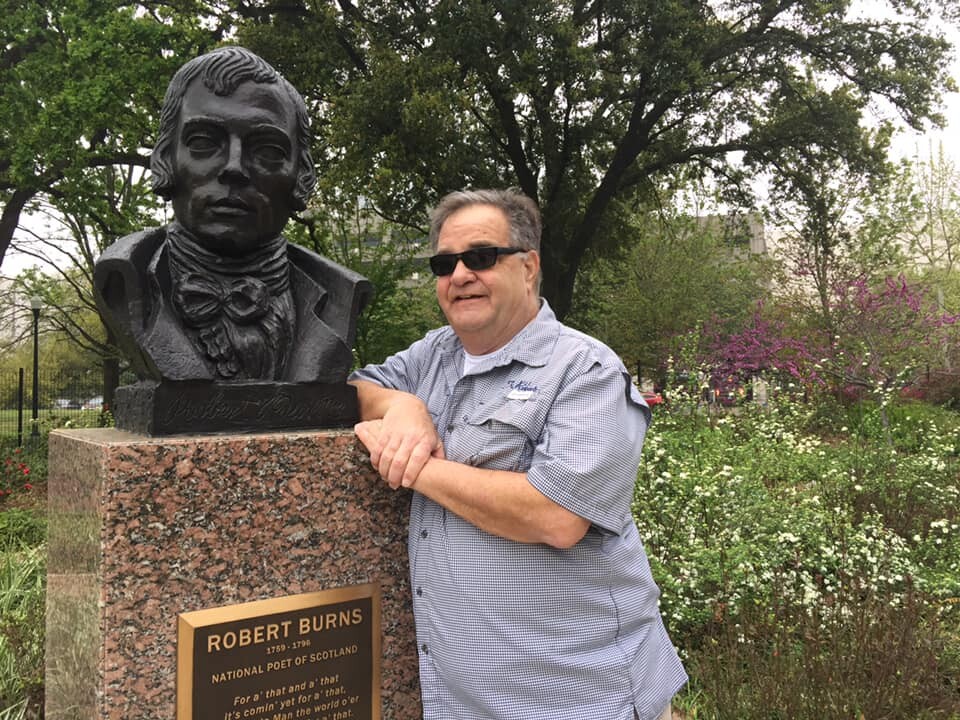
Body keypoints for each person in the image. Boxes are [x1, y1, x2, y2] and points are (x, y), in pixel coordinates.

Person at [349, 188, 687, 720]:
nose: (460, 275)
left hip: (582, 697)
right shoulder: (432, 355)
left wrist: (418, 468)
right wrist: (403, 406)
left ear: (528, 267)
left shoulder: (585, 369)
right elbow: (346, 389)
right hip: (461, 701)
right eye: (444, 264)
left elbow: (557, 515)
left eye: (481, 257)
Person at [95, 46, 369, 385]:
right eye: (204, 143)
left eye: (267, 150)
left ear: (301, 173)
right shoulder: (123, 279)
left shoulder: (342, 298)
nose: (234, 168)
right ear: (166, 158)